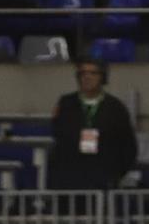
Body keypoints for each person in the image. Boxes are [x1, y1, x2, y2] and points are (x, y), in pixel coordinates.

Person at [49, 61, 136, 192]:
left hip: (103, 180)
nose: (87, 77)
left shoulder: (115, 107)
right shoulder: (66, 103)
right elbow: (58, 136)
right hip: (70, 181)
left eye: (93, 73)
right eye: (83, 73)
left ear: (102, 77)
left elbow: (128, 145)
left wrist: (115, 174)